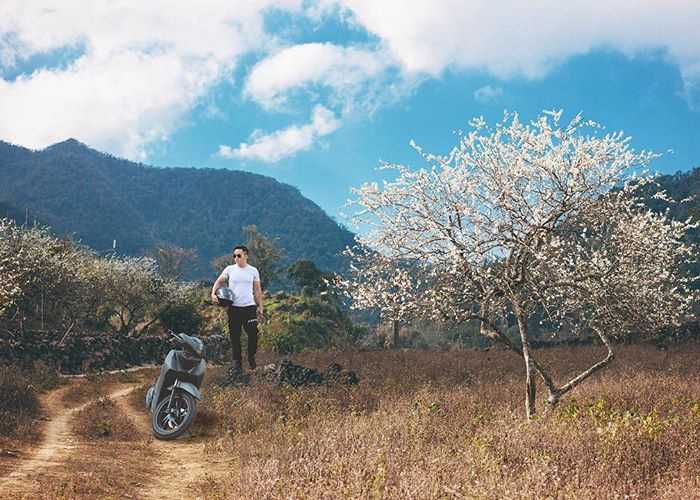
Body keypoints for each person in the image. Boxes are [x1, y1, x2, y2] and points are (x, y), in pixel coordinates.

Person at [211, 245, 264, 372]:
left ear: (246, 256)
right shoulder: (229, 269)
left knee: (253, 336)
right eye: (234, 256)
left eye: (239, 255)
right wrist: (213, 293)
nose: (236, 258)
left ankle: (251, 358)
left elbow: (257, 290)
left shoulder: (253, 271)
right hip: (234, 308)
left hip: (249, 308)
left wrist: (260, 306)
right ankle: (237, 364)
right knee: (235, 337)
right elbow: (219, 281)